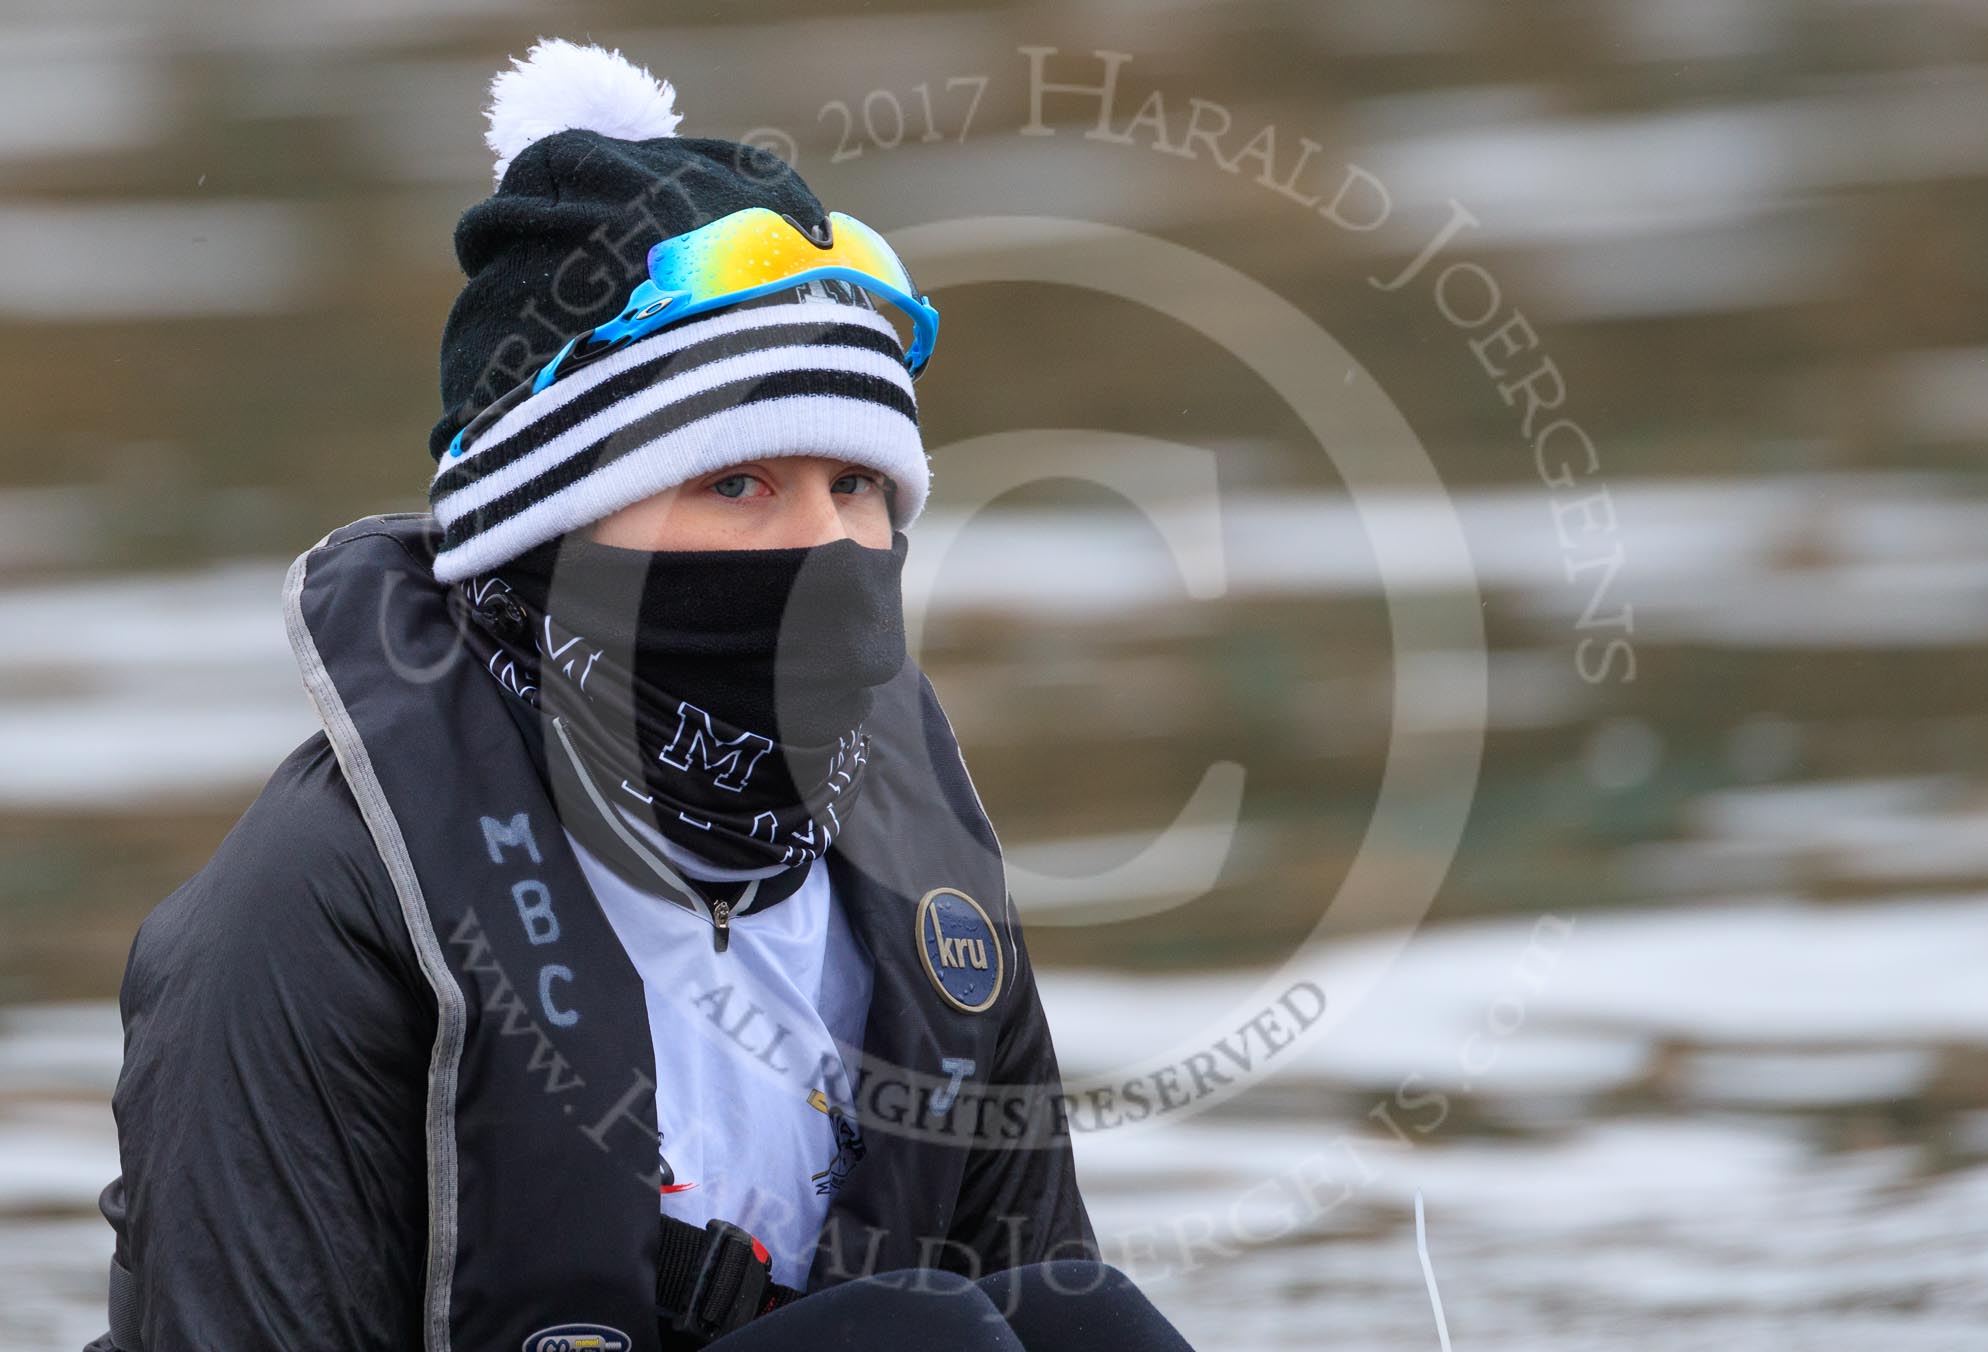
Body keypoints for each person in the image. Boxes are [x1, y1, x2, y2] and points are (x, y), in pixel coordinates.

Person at [85, 37, 1193, 1352]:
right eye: (739, 484)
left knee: (1082, 1321)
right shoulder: (318, 899)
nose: (828, 548)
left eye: (855, 486)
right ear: (552, 540)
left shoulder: (922, 872)